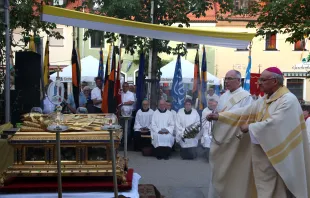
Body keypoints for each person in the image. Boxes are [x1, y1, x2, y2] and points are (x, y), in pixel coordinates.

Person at [208, 67, 310, 198]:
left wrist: (250, 127)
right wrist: (220, 117)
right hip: (263, 153)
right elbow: (245, 111)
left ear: (274, 81)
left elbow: (276, 124)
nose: (258, 83)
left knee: (276, 189)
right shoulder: (264, 99)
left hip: (279, 156)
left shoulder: (288, 100)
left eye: (262, 80)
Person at [208, 70, 253, 198]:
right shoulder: (223, 96)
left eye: (230, 78)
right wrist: (213, 116)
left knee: (231, 171)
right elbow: (219, 113)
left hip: (234, 139)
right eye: (225, 78)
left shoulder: (245, 97)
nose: (226, 81)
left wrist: (220, 117)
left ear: (239, 81)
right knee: (218, 169)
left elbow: (245, 117)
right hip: (220, 138)